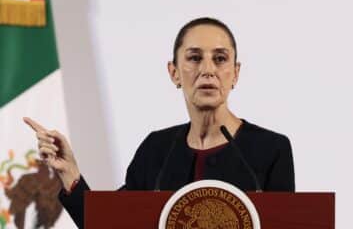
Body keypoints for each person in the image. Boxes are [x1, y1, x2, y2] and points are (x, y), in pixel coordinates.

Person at [24, 17, 295, 228]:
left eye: (220, 59)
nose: (208, 70)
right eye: (194, 58)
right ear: (174, 72)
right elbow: (108, 225)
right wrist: (69, 173)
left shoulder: (271, 149)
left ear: (235, 74)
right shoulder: (157, 149)